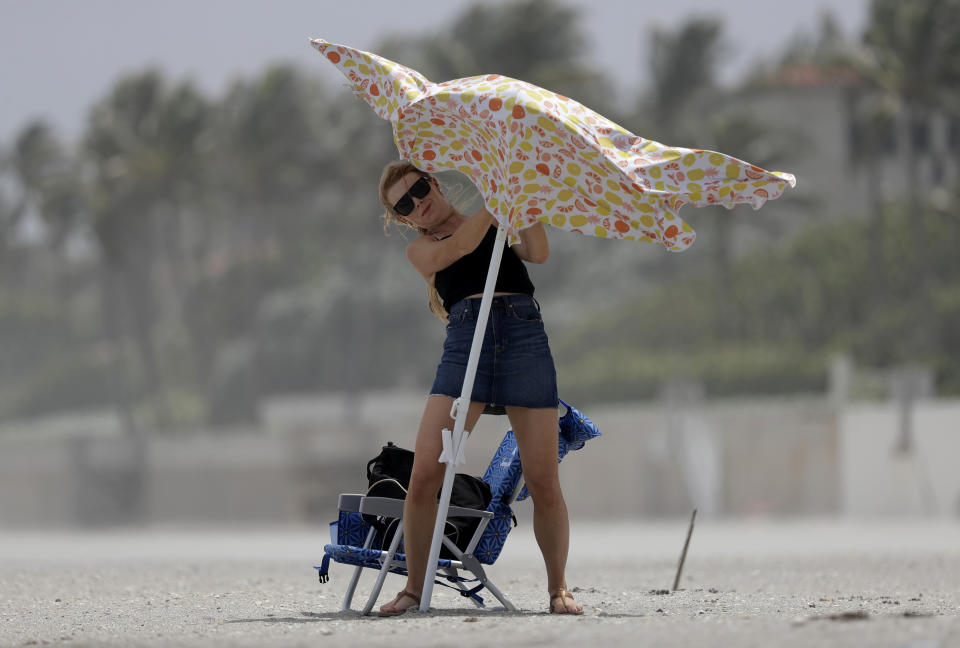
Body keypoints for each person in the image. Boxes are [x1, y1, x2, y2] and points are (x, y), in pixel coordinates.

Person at [375, 160, 582, 616]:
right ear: (403, 219)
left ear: (434, 182)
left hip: (523, 336)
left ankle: (559, 589)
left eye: (420, 188)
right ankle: (413, 588)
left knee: (544, 480)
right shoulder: (422, 251)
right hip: (465, 343)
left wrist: (520, 200)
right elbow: (463, 247)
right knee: (425, 475)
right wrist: (497, 198)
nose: (419, 203)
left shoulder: (497, 219)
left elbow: (539, 251)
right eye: (405, 204)